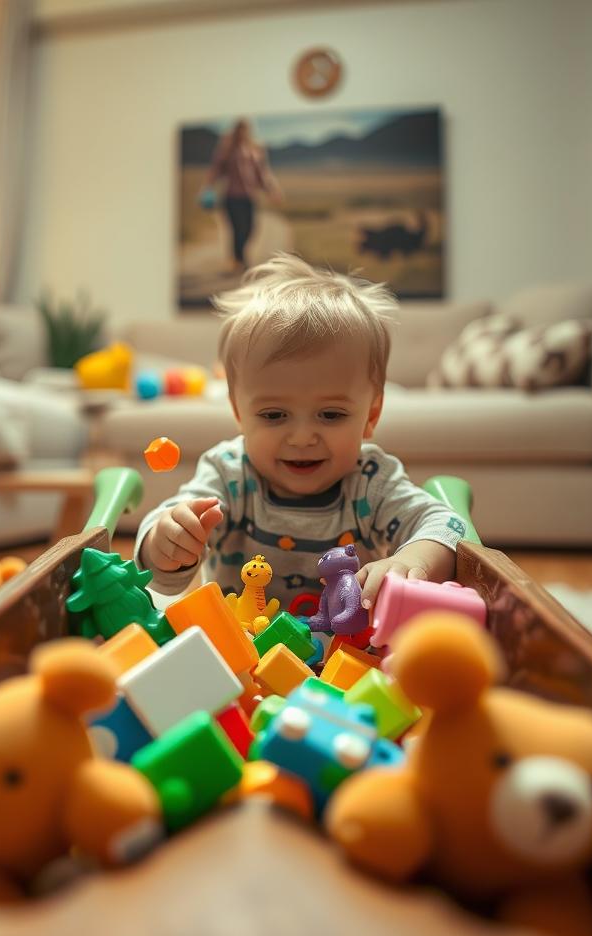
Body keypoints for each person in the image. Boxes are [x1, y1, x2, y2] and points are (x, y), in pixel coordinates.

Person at [135, 253, 464, 615]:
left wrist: (410, 562)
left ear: (371, 414)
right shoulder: (229, 473)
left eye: (331, 414)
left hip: (346, 661)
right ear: (238, 413)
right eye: (274, 415)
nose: (303, 437)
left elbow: (449, 526)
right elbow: (164, 552)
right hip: (241, 652)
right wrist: (167, 543)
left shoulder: (371, 482)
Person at [202, 118, 283, 272]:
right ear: (235, 131)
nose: (242, 132)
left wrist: (273, 190)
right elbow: (216, 170)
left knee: (251, 229)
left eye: (245, 129)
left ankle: (238, 258)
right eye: (240, 129)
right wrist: (207, 187)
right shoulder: (226, 150)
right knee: (237, 230)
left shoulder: (255, 150)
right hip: (231, 197)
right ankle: (240, 261)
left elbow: (263, 174)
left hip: (249, 197)